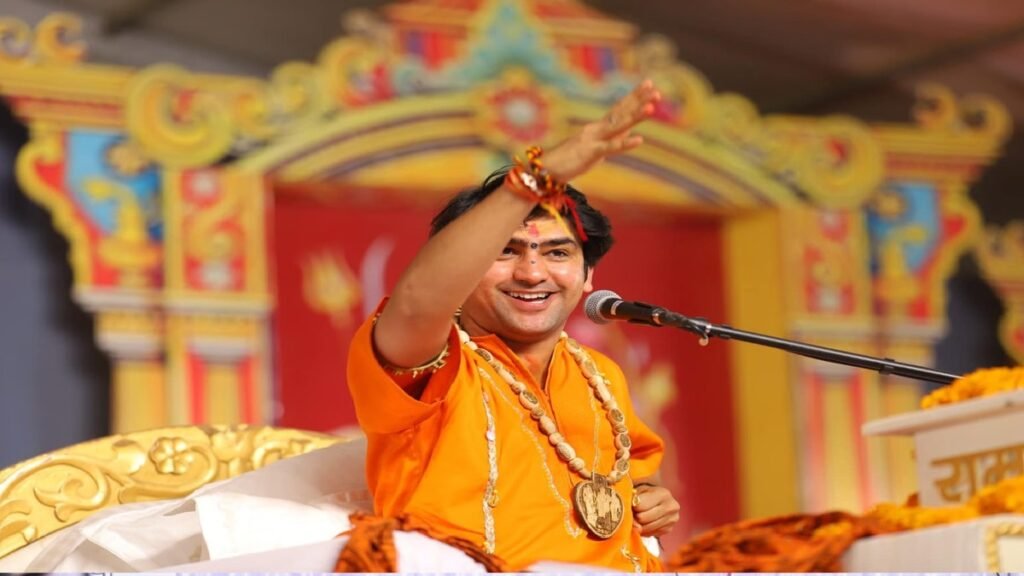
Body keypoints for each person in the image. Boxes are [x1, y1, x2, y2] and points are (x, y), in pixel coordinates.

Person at [346, 80, 680, 572]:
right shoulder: (431, 364)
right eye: (506, 251)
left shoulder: (600, 374)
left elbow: (629, 475)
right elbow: (416, 303)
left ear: (588, 275)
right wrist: (533, 181)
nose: (531, 273)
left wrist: (651, 498)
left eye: (558, 253)